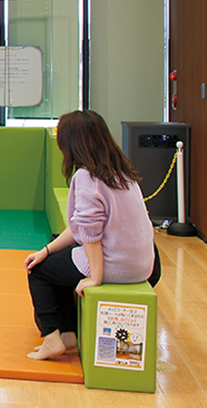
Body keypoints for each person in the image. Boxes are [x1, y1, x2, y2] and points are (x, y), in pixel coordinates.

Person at [25, 110, 160, 360]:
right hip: (145, 266)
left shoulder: (88, 177)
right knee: (54, 253)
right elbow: (80, 226)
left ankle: (52, 336)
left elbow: (89, 234)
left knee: (40, 271)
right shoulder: (122, 171)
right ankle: (68, 335)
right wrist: (46, 250)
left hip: (118, 267)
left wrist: (95, 278)